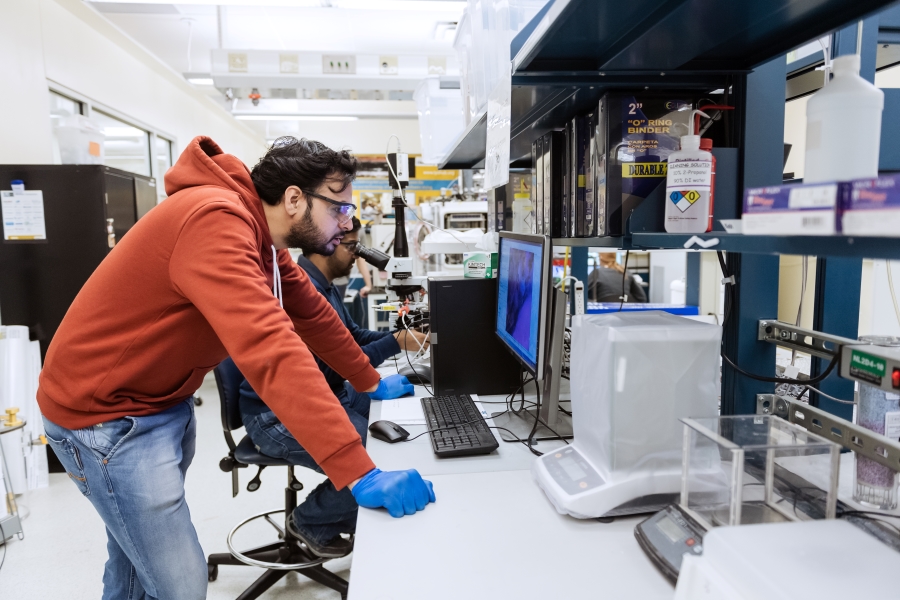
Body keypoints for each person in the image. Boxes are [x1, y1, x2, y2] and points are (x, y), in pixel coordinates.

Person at [37, 136, 435, 600]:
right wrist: (358, 471)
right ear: (293, 199)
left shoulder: (258, 235)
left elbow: (311, 314)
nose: (348, 224)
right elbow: (271, 349)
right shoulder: (215, 219)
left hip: (156, 402)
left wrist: (370, 381)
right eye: (340, 209)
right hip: (105, 418)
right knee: (180, 585)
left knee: (133, 565)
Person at [239, 216, 428, 558]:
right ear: (327, 244)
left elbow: (351, 339)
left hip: (329, 391)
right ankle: (310, 521)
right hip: (276, 415)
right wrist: (395, 343)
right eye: (352, 247)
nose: (357, 256)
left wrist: (401, 340)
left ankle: (349, 512)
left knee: (403, 432)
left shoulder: (323, 285)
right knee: (370, 456)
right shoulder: (300, 290)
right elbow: (330, 363)